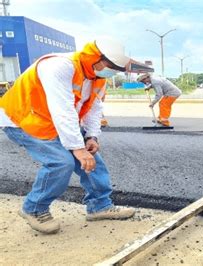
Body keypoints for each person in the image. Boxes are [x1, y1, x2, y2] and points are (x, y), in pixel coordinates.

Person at [0, 37, 136, 234]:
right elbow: (61, 108)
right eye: (111, 66)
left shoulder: (98, 78)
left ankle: (99, 206)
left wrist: (91, 137)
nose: (112, 72)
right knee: (61, 162)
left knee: (93, 161)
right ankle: (34, 208)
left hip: (55, 121)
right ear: (95, 57)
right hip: (22, 118)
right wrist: (77, 149)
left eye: (117, 69)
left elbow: (94, 108)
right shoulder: (59, 66)